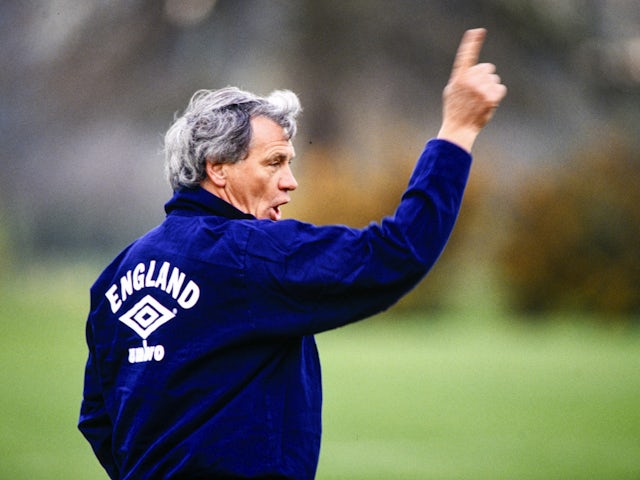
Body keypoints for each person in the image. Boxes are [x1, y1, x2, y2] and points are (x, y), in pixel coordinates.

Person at [79, 28, 506, 479]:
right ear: (218, 169)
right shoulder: (248, 254)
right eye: (274, 161)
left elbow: (97, 419)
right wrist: (457, 131)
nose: (291, 181)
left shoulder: (114, 279)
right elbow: (396, 254)